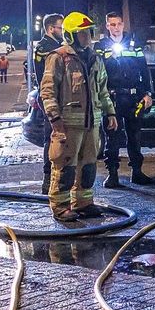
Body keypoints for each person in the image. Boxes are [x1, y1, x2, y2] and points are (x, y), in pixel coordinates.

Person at [40, 12, 117, 222]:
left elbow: (102, 90)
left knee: (89, 165)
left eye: (89, 32)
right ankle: (60, 207)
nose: (88, 37)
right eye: (82, 33)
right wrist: (55, 119)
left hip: (92, 123)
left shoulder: (95, 59)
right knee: (65, 166)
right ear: (71, 35)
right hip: (68, 124)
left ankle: (84, 203)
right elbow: (47, 92)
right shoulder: (58, 58)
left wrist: (110, 112)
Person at [94, 12, 154, 188]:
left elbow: (144, 70)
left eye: (118, 24)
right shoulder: (101, 46)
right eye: (112, 24)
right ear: (107, 26)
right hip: (112, 98)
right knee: (112, 138)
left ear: (123, 24)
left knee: (135, 137)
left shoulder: (134, 45)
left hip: (134, 97)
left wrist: (148, 93)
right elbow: (97, 73)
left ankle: (137, 172)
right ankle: (112, 174)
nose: (116, 27)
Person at [33, 14, 65, 193]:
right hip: (51, 97)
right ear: (51, 28)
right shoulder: (46, 47)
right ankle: (48, 178)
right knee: (51, 137)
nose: (63, 31)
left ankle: (57, 177)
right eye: (61, 28)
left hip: (59, 97)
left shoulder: (54, 46)